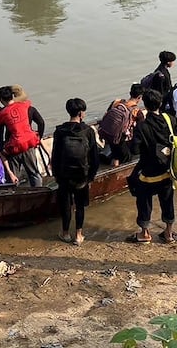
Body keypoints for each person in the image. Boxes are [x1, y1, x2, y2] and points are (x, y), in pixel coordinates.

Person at [126, 89, 177, 244]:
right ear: (160, 104)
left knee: (144, 201)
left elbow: (134, 150)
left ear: (145, 106)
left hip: (148, 172)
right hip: (168, 171)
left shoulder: (142, 127)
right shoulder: (170, 120)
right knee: (167, 201)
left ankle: (145, 233)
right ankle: (168, 234)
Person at [51, 98, 100, 246]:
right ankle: (78, 235)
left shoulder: (59, 131)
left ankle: (65, 233)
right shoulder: (88, 131)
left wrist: (57, 175)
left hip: (64, 175)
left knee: (66, 205)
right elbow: (94, 158)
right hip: (82, 176)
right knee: (79, 206)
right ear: (80, 113)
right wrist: (90, 176)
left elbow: (55, 156)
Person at [0, 86, 46, 187]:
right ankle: (39, 192)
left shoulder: (2, 113)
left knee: (13, 176)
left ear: (0, 99)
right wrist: (38, 138)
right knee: (34, 173)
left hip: (14, 147)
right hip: (29, 143)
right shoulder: (26, 106)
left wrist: (2, 148)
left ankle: (14, 194)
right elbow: (41, 123)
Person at [99, 83, 145, 166]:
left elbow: (107, 116)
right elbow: (143, 129)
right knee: (127, 157)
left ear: (130, 92)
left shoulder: (116, 102)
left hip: (107, 135)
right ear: (139, 97)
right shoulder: (137, 111)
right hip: (120, 139)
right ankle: (115, 169)